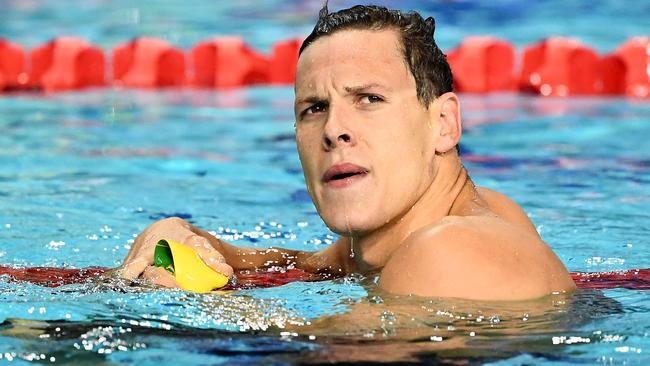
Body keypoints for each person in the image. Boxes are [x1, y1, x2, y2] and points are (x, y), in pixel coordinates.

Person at [118, 4, 576, 301]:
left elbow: (322, 353)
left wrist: (205, 303)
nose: (334, 130)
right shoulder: (439, 222)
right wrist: (178, 235)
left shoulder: (449, 250)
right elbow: (304, 265)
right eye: (314, 108)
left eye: (369, 100)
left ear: (443, 124)